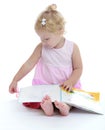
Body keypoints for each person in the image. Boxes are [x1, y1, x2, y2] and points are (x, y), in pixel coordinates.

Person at [9, 4, 83, 116]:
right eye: (41, 39)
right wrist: (16, 80)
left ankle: (65, 107)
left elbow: (78, 68)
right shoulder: (41, 47)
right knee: (42, 98)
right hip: (46, 86)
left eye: (47, 39)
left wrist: (71, 81)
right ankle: (47, 107)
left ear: (60, 31)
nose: (43, 42)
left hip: (65, 86)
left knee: (70, 98)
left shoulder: (72, 47)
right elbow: (28, 64)